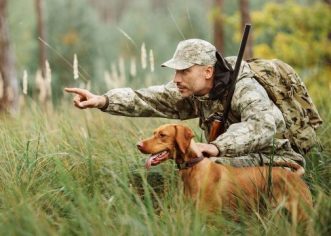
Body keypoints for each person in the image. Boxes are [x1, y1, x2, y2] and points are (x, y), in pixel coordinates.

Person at [65, 39, 305, 168]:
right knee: (192, 166)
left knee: (209, 165)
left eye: (184, 71)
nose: (176, 79)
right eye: (175, 71)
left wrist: (215, 148)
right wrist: (102, 100)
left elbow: (262, 126)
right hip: (231, 159)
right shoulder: (192, 90)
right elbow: (148, 98)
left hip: (276, 158)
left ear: (208, 71)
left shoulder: (245, 88)